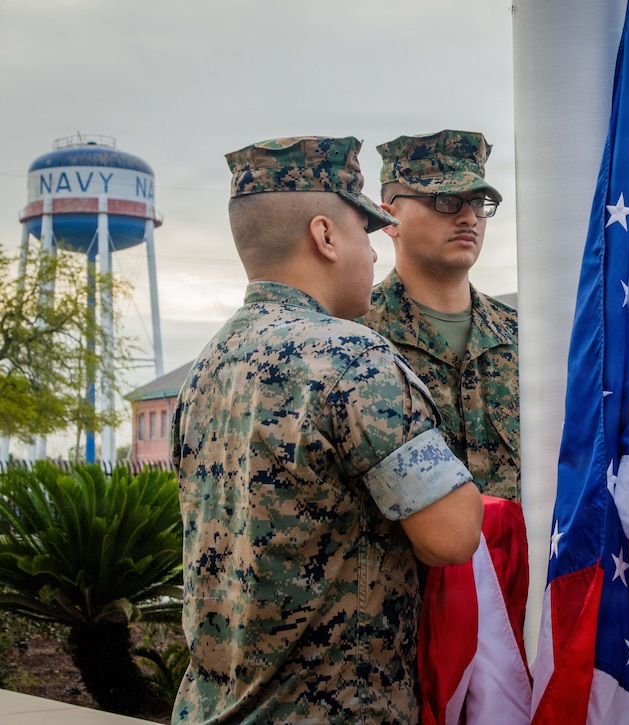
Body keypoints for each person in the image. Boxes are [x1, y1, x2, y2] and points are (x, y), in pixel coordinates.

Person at [171, 135, 483, 725]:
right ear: (325, 236)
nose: (372, 254)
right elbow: (453, 534)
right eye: (364, 234)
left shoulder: (207, 367)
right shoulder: (352, 359)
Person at [363, 129, 519, 503]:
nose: (469, 217)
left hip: (517, 561)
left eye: (478, 202)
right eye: (446, 200)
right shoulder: (357, 339)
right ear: (389, 220)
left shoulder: (523, 337)